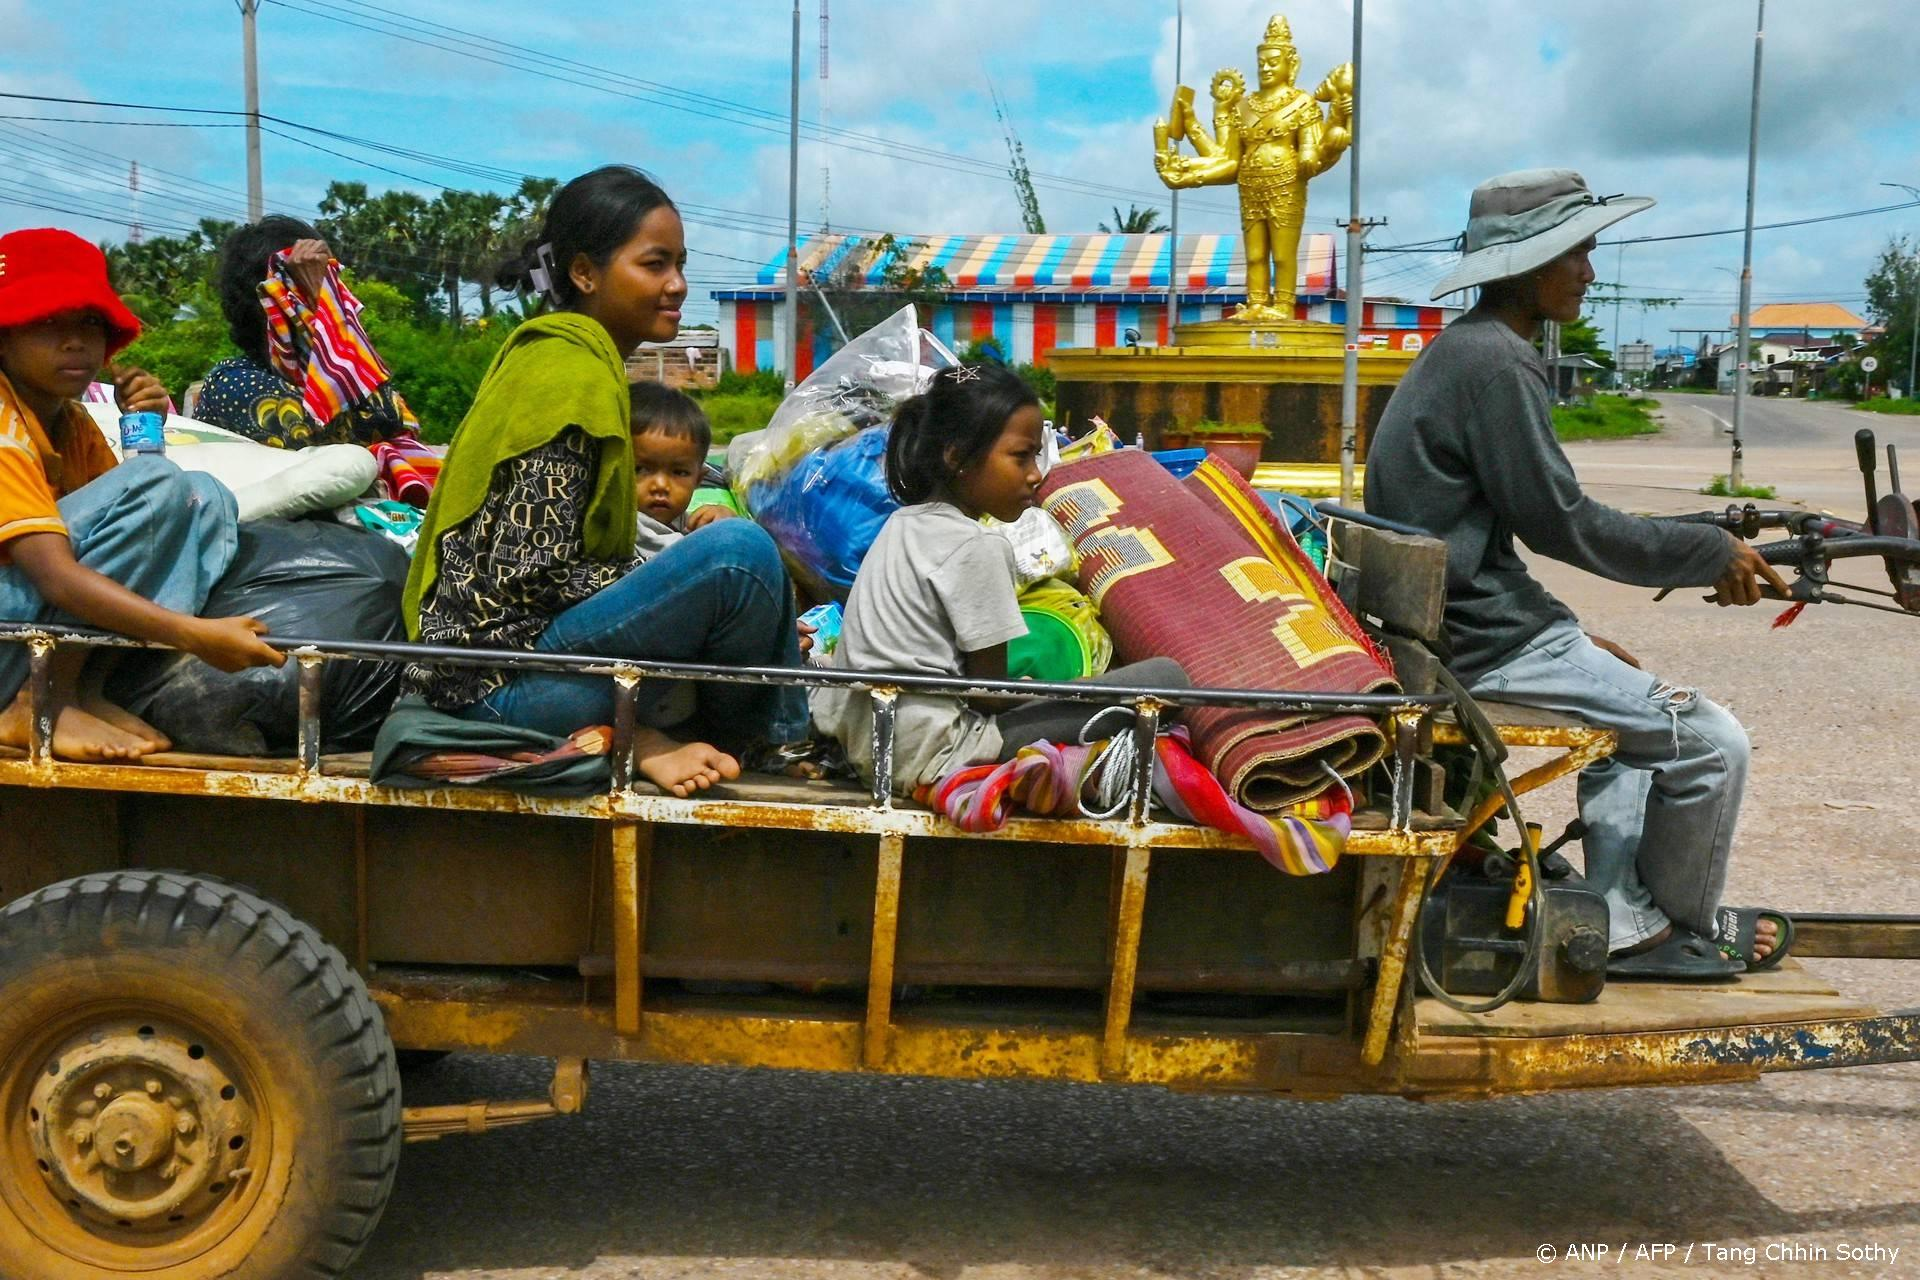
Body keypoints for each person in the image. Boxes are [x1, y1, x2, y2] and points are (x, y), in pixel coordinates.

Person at [1363, 169, 1792, 980]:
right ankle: (1671, 935)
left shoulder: (1467, 350)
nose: (1589, 273)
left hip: (1459, 628)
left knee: (1629, 711)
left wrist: (1570, 634)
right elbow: (1565, 522)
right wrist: (1708, 550)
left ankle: (1620, 911)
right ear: (1530, 262)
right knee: (1713, 745)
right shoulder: (1497, 364)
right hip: (1481, 645)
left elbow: (1495, 545)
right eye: (1578, 254)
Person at [400, 165, 807, 798]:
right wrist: (674, 573)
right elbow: (530, 572)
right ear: (586, 273)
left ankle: (731, 735)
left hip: (517, 668)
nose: (677, 284)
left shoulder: (568, 358)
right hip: (499, 687)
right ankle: (770, 741)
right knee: (739, 556)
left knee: (727, 559)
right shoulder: (571, 372)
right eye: (654, 264)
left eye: (680, 264)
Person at [812, 363, 1187, 794]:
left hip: (873, 746)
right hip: (938, 754)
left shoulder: (900, 524)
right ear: (957, 457)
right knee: (1166, 679)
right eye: (1020, 456)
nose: (1035, 474)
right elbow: (987, 695)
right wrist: (1055, 690)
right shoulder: (978, 545)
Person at [0, 228, 282, 760]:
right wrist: (193, 634)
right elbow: (55, 576)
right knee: (160, 484)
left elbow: (139, 534)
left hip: (20, 629)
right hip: (11, 633)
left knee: (206, 496)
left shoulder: (72, 422)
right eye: (46, 323)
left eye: (89, 323)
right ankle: (39, 698)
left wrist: (144, 430)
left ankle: (83, 688)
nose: (74, 341)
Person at [196, 216, 416, 450]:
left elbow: (400, 418)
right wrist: (324, 309)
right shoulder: (233, 382)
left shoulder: (334, 383)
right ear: (272, 301)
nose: (336, 300)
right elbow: (382, 421)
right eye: (323, 286)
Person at [627, 380, 736, 560]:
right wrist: (729, 532)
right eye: (640, 469)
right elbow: (694, 557)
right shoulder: (630, 525)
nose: (661, 486)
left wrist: (722, 517)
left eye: (679, 473)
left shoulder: (677, 519)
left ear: (698, 480)